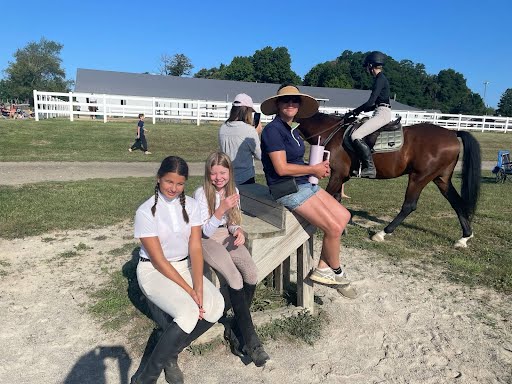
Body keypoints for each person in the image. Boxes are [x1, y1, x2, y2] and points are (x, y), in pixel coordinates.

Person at [131, 156, 225, 384]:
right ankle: (146, 377)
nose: (173, 188)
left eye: (179, 183)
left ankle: (170, 353)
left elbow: (195, 246)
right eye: (168, 182)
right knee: (188, 313)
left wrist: (199, 287)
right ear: (158, 179)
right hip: (154, 271)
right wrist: (190, 291)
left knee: (216, 307)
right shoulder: (145, 212)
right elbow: (159, 260)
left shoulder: (191, 206)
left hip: (183, 266)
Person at [260, 84, 351, 286]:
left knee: (344, 216)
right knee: (334, 228)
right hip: (286, 189)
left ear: (299, 105)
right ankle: (337, 271)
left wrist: (317, 167)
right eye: (286, 100)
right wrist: (313, 170)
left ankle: (323, 268)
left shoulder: (293, 130)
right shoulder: (272, 131)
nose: (291, 104)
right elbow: (281, 168)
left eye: (295, 100)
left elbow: (296, 162)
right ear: (277, 104)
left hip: (303, 184)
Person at [193, 152, 270, 367]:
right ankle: (252, 343)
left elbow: (233, 222)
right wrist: (221, 209)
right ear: (208, 174)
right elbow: (205, 231)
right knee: (235, 279)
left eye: (223, 173)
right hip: (206, 239)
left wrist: (239, 230)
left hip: (225, 235)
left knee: (252, 274)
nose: (218, 178)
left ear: (229, 172)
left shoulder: (233, 190)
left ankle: (236, 328)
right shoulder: (201, 193)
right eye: (214, 173)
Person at [345, 51, 392, 178]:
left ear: (371, 65)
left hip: (382, 113)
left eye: (367, 66)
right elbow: (372, 104)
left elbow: (370, 101)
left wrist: (355, 111)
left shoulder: (380, 79)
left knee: (356, 135)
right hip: (379, 110)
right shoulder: (380, 79)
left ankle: (370, 168)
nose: (367, 69)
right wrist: (359, 110)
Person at [219, 93, 262, 185]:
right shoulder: (249, 131)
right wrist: (256, 134)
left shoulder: (223, 127)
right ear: (247, 110)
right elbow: (260, 155)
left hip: (227, 177)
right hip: (245, 178)